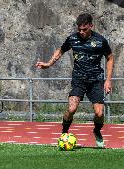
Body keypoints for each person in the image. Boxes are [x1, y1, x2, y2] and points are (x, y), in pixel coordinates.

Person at [36, 13, 114, 148]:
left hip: (96, 80)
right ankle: (64, 132)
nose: (81, 32)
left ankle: (96, 130)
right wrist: (49, 64)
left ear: (91, 26)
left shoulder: (100, 41)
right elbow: (60, 50)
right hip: (79, 79)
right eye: (79, 29)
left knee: (99, 113)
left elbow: (110, 58)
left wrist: (108, 80)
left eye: (85, 29)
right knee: (72, 109)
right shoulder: (72, 39)